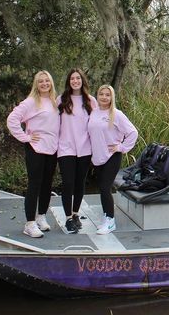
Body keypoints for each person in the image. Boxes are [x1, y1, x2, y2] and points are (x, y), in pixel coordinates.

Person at [7, 70, 60, 238]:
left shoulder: (54, 102)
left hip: (52, 149)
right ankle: (29, 224)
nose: (44, 83)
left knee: (47, 185)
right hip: (35, 149)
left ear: (51, 83)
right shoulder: (30, 102)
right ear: (36, 85)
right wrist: (26, 137)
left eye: (47, 81)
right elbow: (12, 120)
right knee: (34, 185)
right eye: (41, 81)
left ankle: (41, 217)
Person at [87, 85, 138, 235]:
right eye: (101, 94)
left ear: (112, 97)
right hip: (98, 157)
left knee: (104, 187)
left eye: (107, 95)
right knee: (102, 189)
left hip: (112, 157)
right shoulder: (94, 113)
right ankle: (106, 217)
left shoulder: (116, 114)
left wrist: (121, 147)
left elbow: (132, 133)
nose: (104, 97)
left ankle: (110, 221)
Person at [57, 68, 97, 234]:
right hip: (65, 147)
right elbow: (51, 122)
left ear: (82, 81)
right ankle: (67, 218)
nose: (75, 81)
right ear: (69, 81)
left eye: (78, 78)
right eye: (72, 78)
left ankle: (75, 214)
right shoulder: (61, 100)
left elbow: (97, 124)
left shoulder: (90, 101)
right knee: (67, 183)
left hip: (85, 148)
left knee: (80, 183)